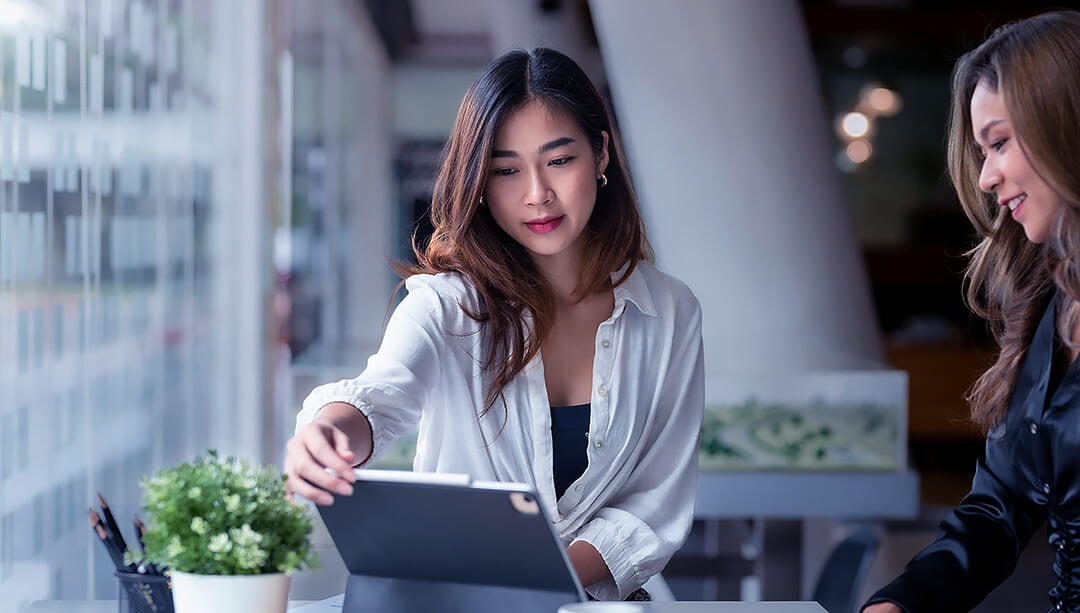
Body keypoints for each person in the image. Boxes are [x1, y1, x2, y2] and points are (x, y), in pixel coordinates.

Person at [283, 47, 705, 602]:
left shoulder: (670, 312)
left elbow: (654, 503)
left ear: (601, 153)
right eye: (506, 170)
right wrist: (328, 433)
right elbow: (380, 396)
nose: (537, 194)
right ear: (479, 181)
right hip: (450, 603)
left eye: (559, 160)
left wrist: (539, 577)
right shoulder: (445, 304)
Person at [862, 10, 1080, 613]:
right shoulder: (1049, 307)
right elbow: (999, 506)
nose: (985, 177)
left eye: (1000, 142)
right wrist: (901, 603)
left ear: (1066, 122)